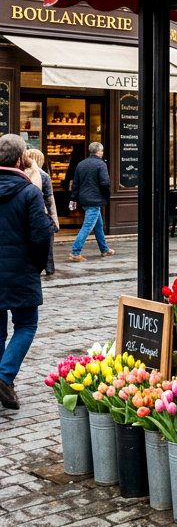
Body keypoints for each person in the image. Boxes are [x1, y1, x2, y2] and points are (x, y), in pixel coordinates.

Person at [0, 134, 55, 409]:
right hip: (21, 269)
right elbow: (42, 235)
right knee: (26, 324)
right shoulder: (29, 192)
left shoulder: (28, 190)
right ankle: (4, 376)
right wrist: (37, 265)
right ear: (22, 159)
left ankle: (3, 381)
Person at [69, 142, 113, 262]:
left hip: (84, 199)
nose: (102, 153)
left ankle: (104, 249)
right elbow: (105, 183)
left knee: (98, 226)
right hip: (95, 199)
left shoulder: (81, 164)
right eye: (102, 151)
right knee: (88, 226)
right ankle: (75, 252)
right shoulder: (101, 164)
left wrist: (73, 198)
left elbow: (76, 184)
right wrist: (106, 196)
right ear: (99, 152)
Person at [24, 149, 58, 276]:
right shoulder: (43, 175)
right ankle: (49, 267)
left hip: (25, 212)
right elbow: (49, 198)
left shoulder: (21, 173)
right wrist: (54, 219)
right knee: (47, 241)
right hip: (42, 211)